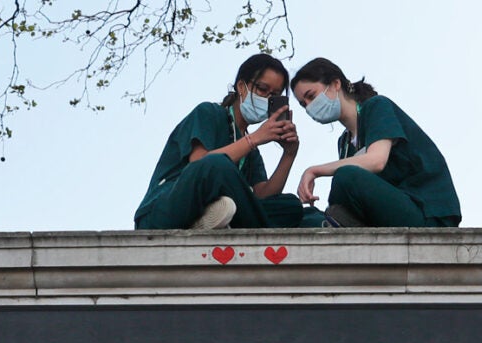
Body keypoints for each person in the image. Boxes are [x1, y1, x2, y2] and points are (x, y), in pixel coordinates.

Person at [134, 53, 320, 230]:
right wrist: (254, 138)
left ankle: (212, 219)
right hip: (163, 211)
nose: (267, 98)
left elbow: (262, 194)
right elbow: (200, 164)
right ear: (241, 86)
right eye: (262, 90)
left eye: (274, 96)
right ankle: (240, 225)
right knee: (216, 163)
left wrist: (289, 154)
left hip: (227, 207)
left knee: (290, 206)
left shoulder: (251, 150)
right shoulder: (209, 113)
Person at [289, 58, 462, 228]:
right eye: (304, 105)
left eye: (311, 96)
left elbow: (376, 161)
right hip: (387, 216)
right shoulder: (344, 143)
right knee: (308, 217)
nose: (310, 107)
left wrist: (314, 170)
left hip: (426, 212)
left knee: (346, 176)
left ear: (335, 84)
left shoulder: (376, 107)